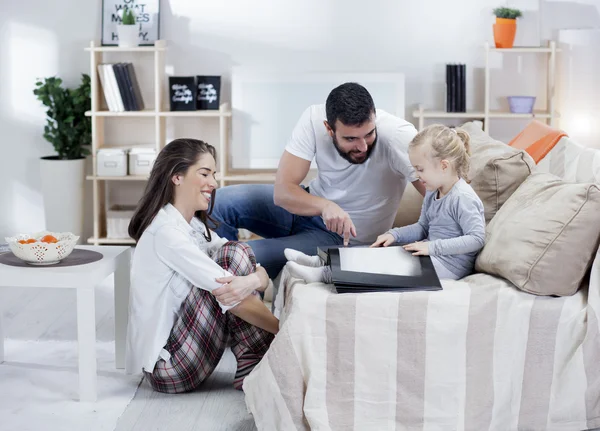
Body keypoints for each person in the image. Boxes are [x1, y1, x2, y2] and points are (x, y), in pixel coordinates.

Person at [211, 82, 426, 278]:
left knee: (236, 258)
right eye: (351, 138)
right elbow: (283, 191)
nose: (363, 146)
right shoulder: (313, 118)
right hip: (308, 207)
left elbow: (442, 195)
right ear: (328, 128)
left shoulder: (398, 136)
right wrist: (325, 206)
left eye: (369, 134)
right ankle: (211, 282)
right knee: (217, 202)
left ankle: (230, 289)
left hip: (343, 239)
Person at [125, 138, 278, 393]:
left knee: (237, 253)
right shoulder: (165, 232)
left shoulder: (194, 226)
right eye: (204, 173)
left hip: (188, 349)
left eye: (213, 174)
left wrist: (255, 279)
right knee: (232, 260)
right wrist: (285, 330)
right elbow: (232, 294)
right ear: (177, 177)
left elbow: (248, 266)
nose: (214, 183)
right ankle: (255, 357)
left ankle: (252, 360)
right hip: (169, 367)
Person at [285, 124, 486, 282]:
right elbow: (423, 227)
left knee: (386, 265)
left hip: (449, 266)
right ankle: (320, 261)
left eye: (421, 169)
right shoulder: (433, 193)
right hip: (430, 253)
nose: (416, 176)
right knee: (378, 250)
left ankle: (324, 276)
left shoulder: (463, 198)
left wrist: (433, 248)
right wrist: (394, 234)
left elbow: (477, 238)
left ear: (443, 166)